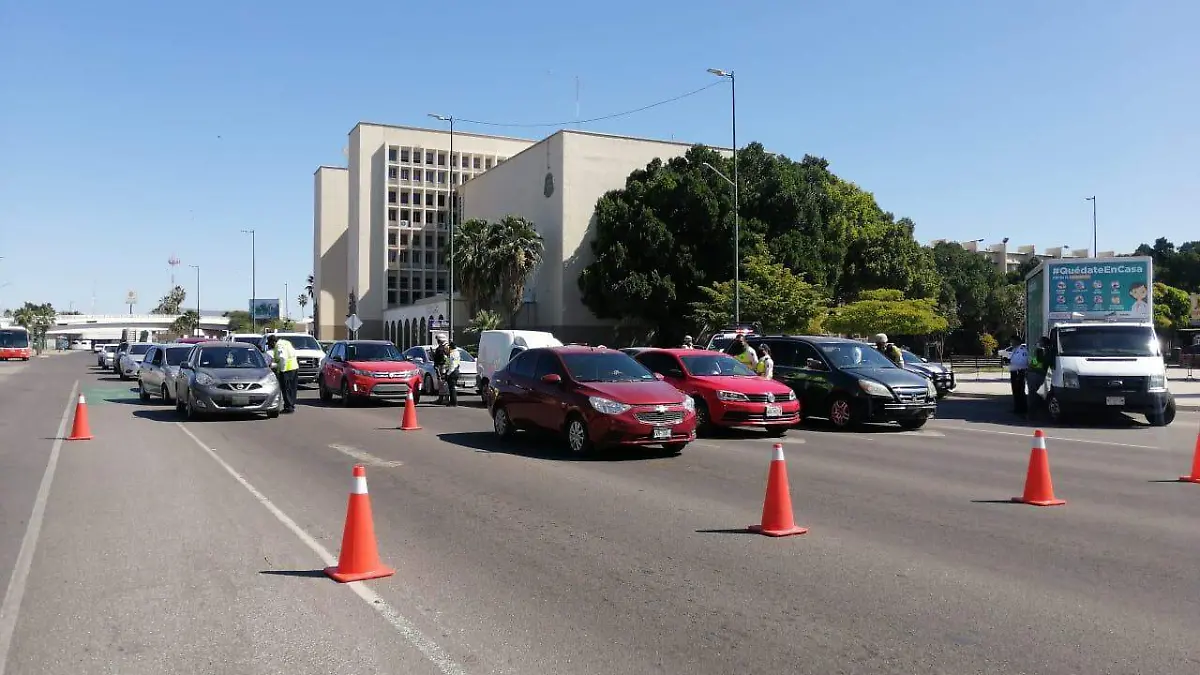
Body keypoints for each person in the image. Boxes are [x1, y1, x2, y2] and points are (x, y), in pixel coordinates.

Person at [266, 333, 299, 414]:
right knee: (292, 389)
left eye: (269, 344)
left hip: (286, 370)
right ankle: (291, 405)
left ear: (273, 342)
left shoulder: (279, 346)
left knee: (286, 389)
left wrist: (281, 370)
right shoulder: (286, 342)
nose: (270, 346)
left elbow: (283, 358)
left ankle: (288, 407)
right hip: (294, 367)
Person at [1026, 336, 1052, 416]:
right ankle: (1039, 412)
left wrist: (1029, 369)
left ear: (1043, 343)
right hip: (1042, 375)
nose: (1038, 343)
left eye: (1040, 341)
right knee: (1041, 394)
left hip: (1035, 374)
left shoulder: (1040, 351)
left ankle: (1031, 414)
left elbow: (1036, 363)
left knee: (1032, 395)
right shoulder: (1050, 351)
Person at [1007, 336, 1030, 414]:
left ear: (1017, 341)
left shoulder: (1022, 350)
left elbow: (1023, 362)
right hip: (1014, 372)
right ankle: (1017, 408)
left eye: (1012, 341)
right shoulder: (1014, 349)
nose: (1011, 343)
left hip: (1019, 372)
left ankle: (1022, 409)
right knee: (1015, 391)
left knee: (1020, 391)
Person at [442, 341, 462, 407]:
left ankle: (454, 402)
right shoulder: (456, 353)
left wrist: (448, 374)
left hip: (452, 372)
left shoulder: (453, 354)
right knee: (451, 388)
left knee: (452, 388)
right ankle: (452, 402)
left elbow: (452, 365)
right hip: (455, 371)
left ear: (451, 347)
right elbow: (448, 363)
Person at [432, 335, 448, 404]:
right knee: (441, 383)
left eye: (438, 340)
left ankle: (444, 398)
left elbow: (444, 358)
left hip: (442, 366)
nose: (437, 341)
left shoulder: (444, 348)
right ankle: (441, 398)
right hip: (441, 366)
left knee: (443, 382)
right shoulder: (442, 347)